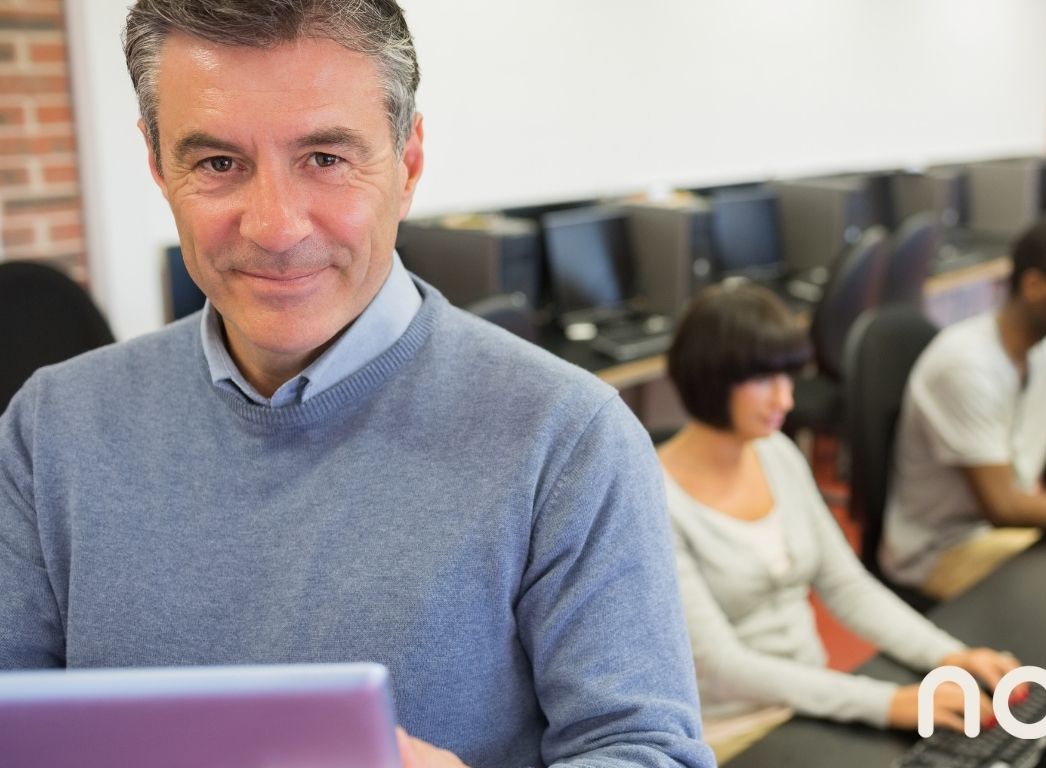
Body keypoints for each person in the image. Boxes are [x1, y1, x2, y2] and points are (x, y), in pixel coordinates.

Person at [0, 3, 712, 767]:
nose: (276, 227)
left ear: (406, 165)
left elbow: (648, 752)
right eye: (217, 164)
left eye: (326, 159)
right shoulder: (53, 424)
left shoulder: (568, 437)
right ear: (157, 167)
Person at [657, 280, 1019, 755]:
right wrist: (886, 703)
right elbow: (722, 666)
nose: (785, 401)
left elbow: (847, 585)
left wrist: (948, 654)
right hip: (731, 729)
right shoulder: (655, 498)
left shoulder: (777, 453)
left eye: (788, 378)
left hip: (814, 698)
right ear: (710, 377)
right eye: (764, 380)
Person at [881, 219, 1046, 600]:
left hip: (1002, 535)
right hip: (943, 552)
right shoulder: (966, 366)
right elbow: (1004, 506)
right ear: (1034, 287)